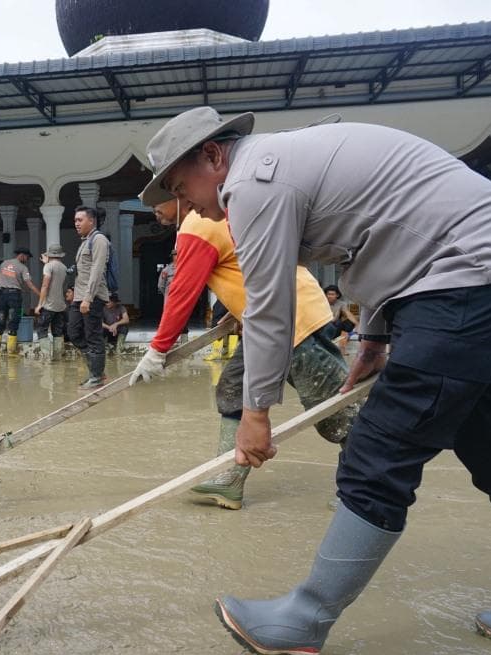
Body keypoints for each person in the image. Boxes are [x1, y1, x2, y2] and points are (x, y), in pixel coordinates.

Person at [141, 106, 491, 655]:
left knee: (379, 450)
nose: (190, 206)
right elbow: (383, 244)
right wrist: (374, 341)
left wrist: (257, 414)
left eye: (183, 187)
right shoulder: (281, 162)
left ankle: (304, 619)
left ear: (212, 156)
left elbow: (268, 305)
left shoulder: (252, 183)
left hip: (468, 273)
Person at [132, 197, 354, 510]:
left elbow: (183, 291)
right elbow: (247, 267)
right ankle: (229, 479)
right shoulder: (214, 219)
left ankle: (364, 490)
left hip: (294, 317)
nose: (151, 205)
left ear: (179, 196)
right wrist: (238, 310)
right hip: (262, 322)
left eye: (160, 196)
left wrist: (158, 349)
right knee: (234, 389)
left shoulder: (198, 224)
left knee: (334, 409)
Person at [69, 206, 111, 388]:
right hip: (79, 296)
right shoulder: (85, 241)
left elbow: (97, 270)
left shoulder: (99, 240)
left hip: (91, 297)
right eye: (75, 220)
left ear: (91, 221)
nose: (76, 223)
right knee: (73, 332)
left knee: (93, 335)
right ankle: (97, 371)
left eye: (80, 220)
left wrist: (88, 298)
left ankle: (96, 376)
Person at [0, 247, 41, 357]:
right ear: (22, 255)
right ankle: (11, 353)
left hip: (3, 295)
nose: (27, 259)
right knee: (14, 321)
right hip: (14, 296)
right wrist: (41, 295)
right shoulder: (23, 267)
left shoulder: (4, 263)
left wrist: (7, 278)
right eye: (27, 257)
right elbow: (30, 284)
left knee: (0, 320)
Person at [35, 244, 69, 360]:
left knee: (41, 329)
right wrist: (46, 263)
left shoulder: (48, 267)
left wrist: (40, 304)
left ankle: (46, 358)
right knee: (57, 332)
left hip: (48, 306)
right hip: (60, 306)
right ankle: (57, 358)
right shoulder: (64, 267)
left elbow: (45, 285)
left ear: (49, 254)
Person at [323, 284, 359, 351]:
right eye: (328, 294)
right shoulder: (322, 303)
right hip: (326, 325)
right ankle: (333, 339)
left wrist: (357, 324)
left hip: (336, 325)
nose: (330, 296)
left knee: (348, 322)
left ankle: (343, 336)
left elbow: (348, 314)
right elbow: (331, 320)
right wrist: (336, 315)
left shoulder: (341, 304)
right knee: (337, 322)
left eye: (332, 294)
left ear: (337, 295)